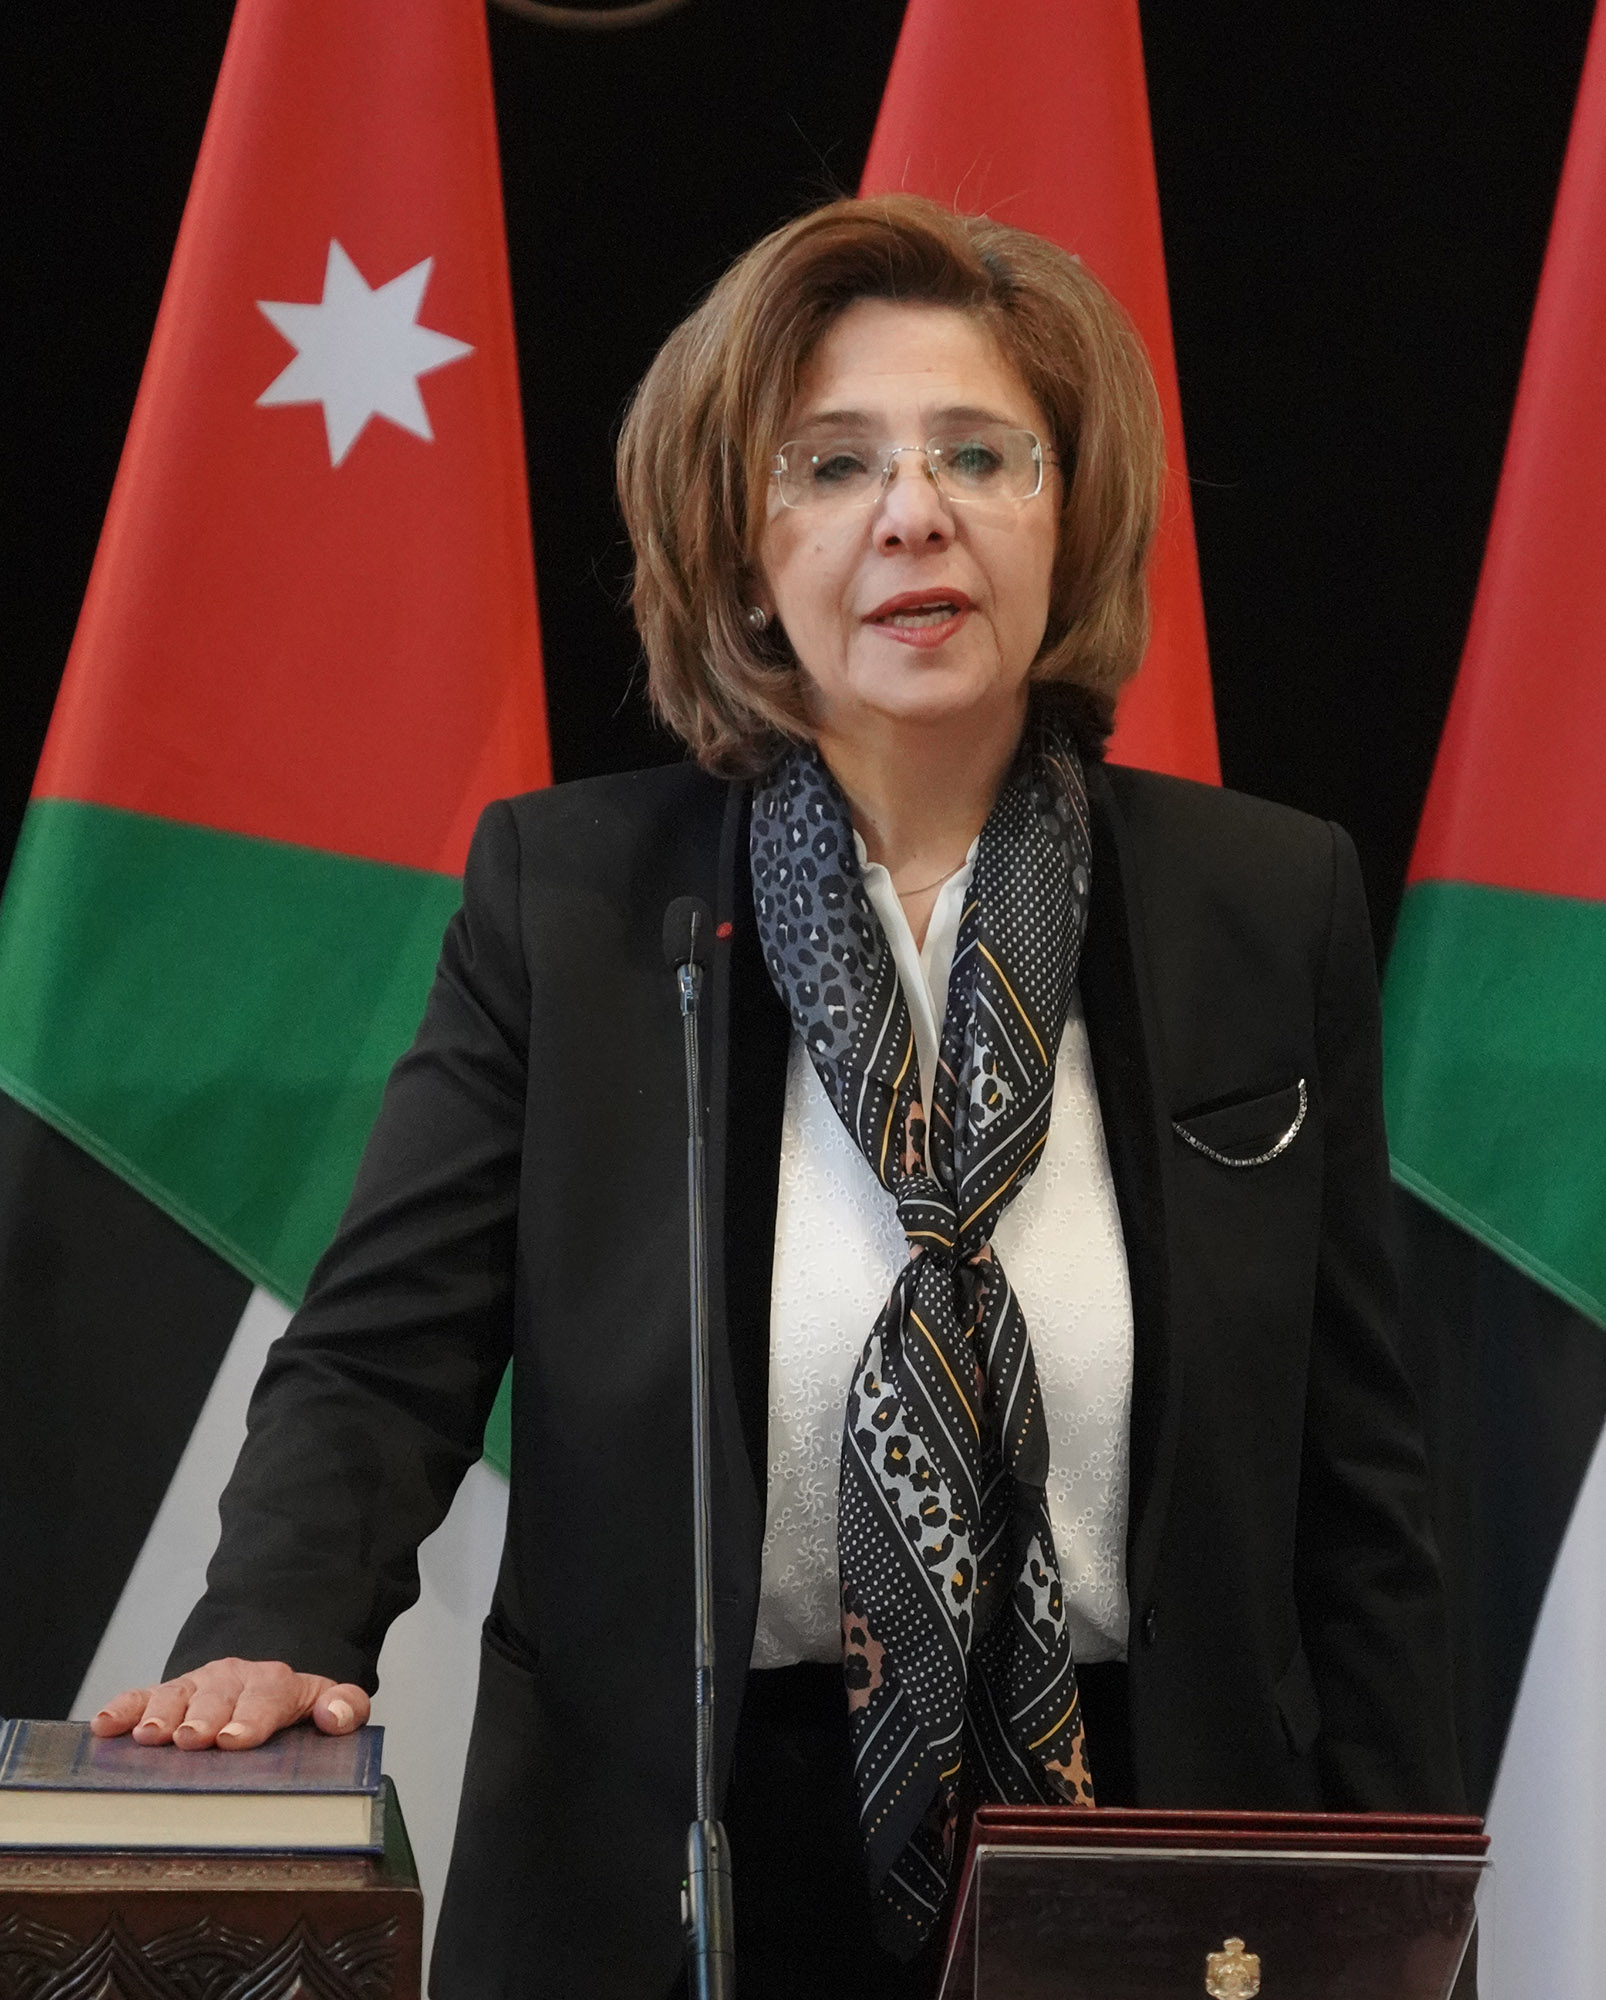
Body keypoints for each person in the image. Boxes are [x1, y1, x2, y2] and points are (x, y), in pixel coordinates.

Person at [91, 195, 1464, 1998]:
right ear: (741, 554)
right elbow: (381, 1353)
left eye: (979, 453)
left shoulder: (1261, 902)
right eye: (831, 465)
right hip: (677, 1845)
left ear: (1067, 515)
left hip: (1153, 1840)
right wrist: (270, 1627)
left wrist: (1409, 1915)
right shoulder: (578, 903)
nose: (914, 510)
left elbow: (1356, 1482)